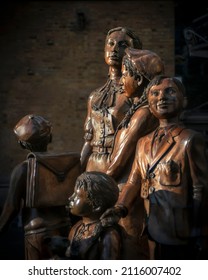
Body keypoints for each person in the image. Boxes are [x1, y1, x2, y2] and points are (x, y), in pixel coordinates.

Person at [110, 75, 208, 259]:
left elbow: (200, 189)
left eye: (169, 91)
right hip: (152, 228)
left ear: (184, 101)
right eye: (155, 94)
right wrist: (119, 207)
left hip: (180, 231)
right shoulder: (142, 143)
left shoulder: (189, 140)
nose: (161, 97)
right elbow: (133, 182)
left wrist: (200, 231)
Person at [103, 47, 165, 259]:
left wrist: (96, 183)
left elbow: (120, 161)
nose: (120, 81)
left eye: (125, 74)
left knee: (131, 248)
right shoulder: (138, 110)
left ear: (138, 79)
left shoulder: (144, 114)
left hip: (129, 195)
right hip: (122, 190)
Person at [0, 114, 72, 259]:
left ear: (21, 144)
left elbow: (12, 207)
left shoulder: (22, 169)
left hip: (38, 233)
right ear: (50, 138)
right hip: (64, 228)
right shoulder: (65, 164)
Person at [80, 26, 142, 173]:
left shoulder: (136, 95)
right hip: (93, 165)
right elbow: (88, 141)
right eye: (111, 43)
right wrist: (78, 172)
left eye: (123, 45)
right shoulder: (94, 96)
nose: (114, 49)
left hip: (124, 166)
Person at [65, 171, 122, 260]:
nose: (71, 198)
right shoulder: (77, 227)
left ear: (96, 205)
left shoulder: (108, 236)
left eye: (77, 195)